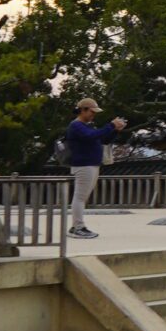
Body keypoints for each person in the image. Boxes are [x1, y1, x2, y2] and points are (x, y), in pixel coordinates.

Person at [61, 97, 127, 239]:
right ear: (83, 110)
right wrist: (111, 125)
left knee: (82, 197)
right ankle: (77, 227)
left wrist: (115, 130)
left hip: (90, 164)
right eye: (92, 112)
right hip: (83, 165)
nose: (93, 115)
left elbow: (103, 139)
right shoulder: (76, 126)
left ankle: (77, 226)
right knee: (80, 197)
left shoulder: (86, 126)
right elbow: (91, 136)